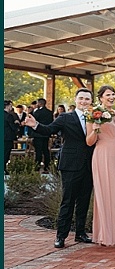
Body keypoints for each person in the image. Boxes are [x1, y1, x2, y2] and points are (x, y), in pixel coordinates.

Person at [24, 88, 95, 248]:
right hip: (70, 164)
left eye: (87, 99)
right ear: (76, 100)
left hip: (89, 164)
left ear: (91, 102)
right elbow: (49, 130)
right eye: (81, 98)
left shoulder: (95, 117)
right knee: (67, 201)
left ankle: (81, 233)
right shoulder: (65, 117)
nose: (84, 101)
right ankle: (61, 236)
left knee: (84, 201)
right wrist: (35, 125)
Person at [85, 85, 115, 247]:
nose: (111, 97)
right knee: (108, 192)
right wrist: (95, 130)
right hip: (104, 155)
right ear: (100, 98)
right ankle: (108, 233)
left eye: (113, 94)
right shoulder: (94, 115)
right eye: (108, 95)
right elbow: (89, 141)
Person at [30, 98, 54, 171]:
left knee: (38, 151)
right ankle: (47, 166)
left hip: (38, 134)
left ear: (40, 104)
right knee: (46, 150)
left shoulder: (37, 112)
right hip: (46, 134)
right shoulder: (49, 112)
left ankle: (37, 166)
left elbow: (33, 121)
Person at [4, 100, 21, 173]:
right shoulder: (9, 116)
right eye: (11, 106)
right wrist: (17, 123)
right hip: (7, 137)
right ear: (7, 106)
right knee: (6, 153)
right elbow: (13, 127)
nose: (11, 107)